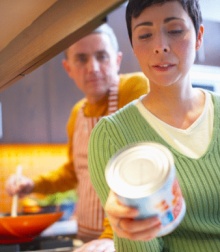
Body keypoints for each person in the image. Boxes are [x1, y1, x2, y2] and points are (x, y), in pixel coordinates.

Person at [88, 1, 220, 251]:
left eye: (175, 30)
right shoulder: (113, 135)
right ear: (133, 47)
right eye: (145, 35)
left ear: (199, 36)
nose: (160, 46)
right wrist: (129, 228)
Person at [5, 23, 149, 249]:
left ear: (117, 60)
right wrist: (32, 184)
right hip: (87, 237)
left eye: (102, 56)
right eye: (81, 59)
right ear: (68, 68)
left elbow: (142, 169)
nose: (92, 68)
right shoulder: (77, 113)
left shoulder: (136, 89)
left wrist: (112, 235)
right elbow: (74, 172)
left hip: (125, 239)